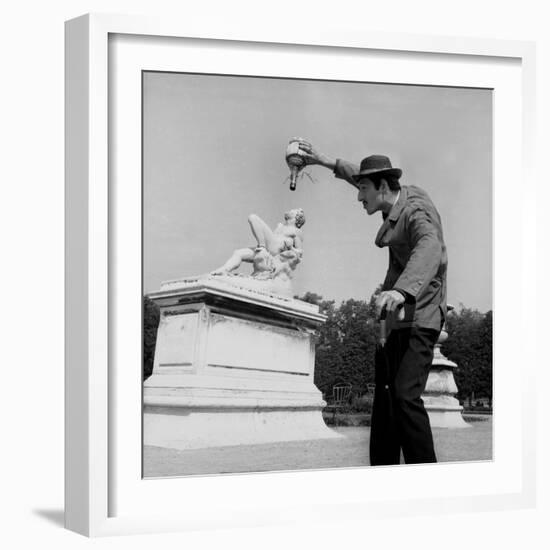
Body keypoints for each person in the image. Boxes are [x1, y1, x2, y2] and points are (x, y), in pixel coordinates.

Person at [298, 140, 447, 466]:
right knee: (384, 394)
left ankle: (429, 479)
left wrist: (402, 290)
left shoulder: (416, 212)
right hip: (394, 315)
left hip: (419, 314)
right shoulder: (392, 197)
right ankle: (383, 473)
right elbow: (358, 175)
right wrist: (323, 160)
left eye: (363, 188)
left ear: (382, 186)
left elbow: (430, 247)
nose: (358, 195)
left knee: (406, 395)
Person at [211, 208, 305, 279]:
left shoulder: (297, 231)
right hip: (270, 249)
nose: (290, 211)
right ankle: (224, 270)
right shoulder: (280, 226)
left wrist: (291, 248)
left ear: (297, 218)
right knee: (239, 253)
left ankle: (262, 247)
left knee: (253, 218)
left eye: (293, 211)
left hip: (275, 249)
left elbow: (300, 254)